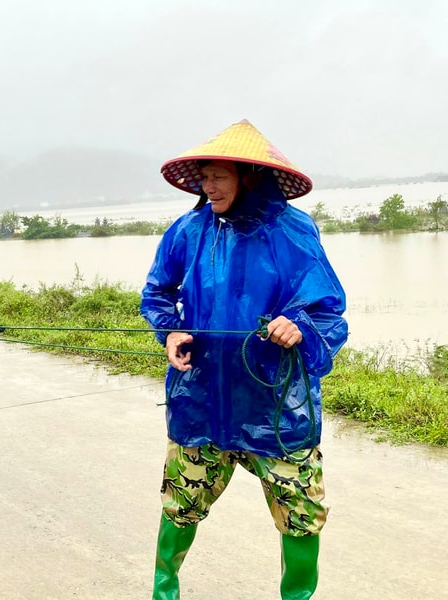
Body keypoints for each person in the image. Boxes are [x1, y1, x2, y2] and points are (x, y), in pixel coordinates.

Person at [140, 120, 348, 600]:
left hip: (278, 410)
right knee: (180, 506)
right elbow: (156, 292)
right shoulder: (188, 230)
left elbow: (329, 312)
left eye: (218, 177)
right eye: (204, 178)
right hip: (200, 402)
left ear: (249, 178)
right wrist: (170, 331)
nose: (208, 187)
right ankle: (164, 593)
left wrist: (299, 326)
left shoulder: (294, 231)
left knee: (302, 515)